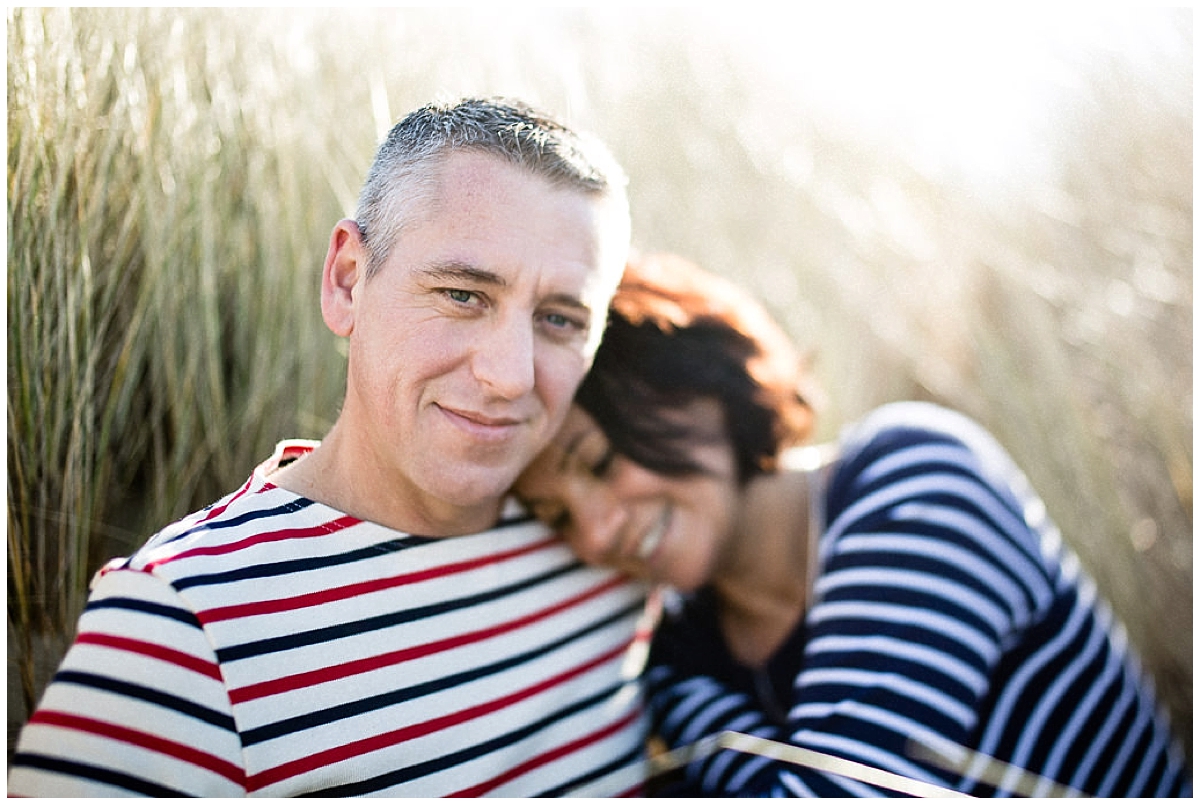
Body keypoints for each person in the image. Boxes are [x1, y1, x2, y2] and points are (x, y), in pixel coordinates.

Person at [8, 97, 653, 797]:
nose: (510, 375)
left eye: (559, 318)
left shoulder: (609, 554)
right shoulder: (184, 629)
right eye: (463, 294)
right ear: (347, 280)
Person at [515, 252, 1193, 797]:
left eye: (599, 463)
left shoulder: (915, 481)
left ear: (689, 385)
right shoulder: (677, 660)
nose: (596, 533)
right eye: (559, 516)